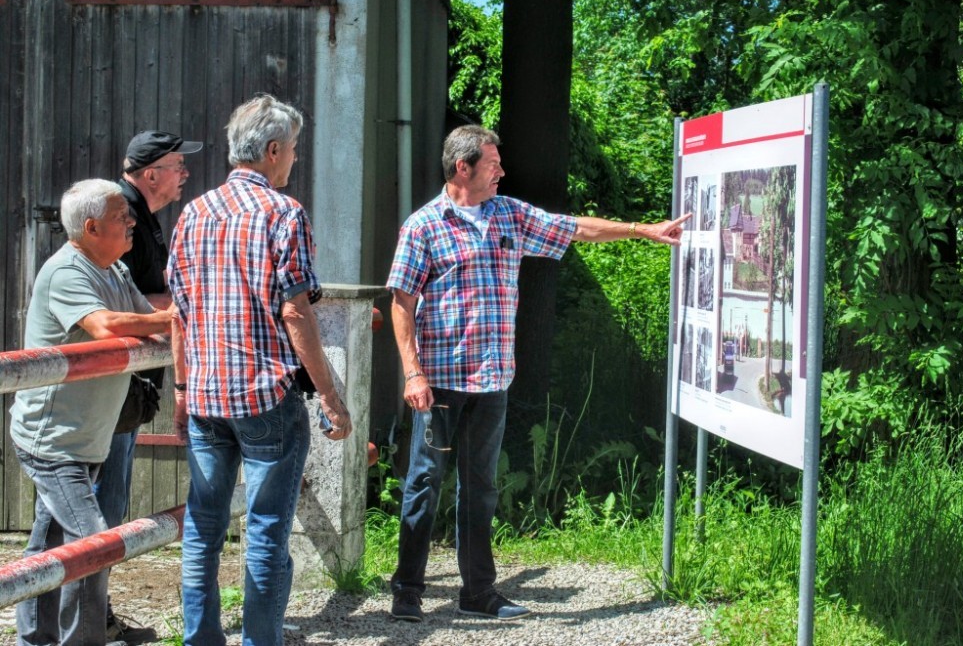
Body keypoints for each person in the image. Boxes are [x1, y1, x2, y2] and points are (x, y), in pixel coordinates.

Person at [387, 125, 691, 622]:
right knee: (425, 480)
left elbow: (573, 227)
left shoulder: (509, 215)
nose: (502, 170)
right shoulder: (424, 226)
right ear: (462, 168)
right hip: (438, 382)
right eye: (492, 163)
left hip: (492, 380)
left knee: (481, 487)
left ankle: (477, 593)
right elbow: (401, 302)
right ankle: (408, 592)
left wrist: (643, 230)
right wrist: (412, 373)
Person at [167, 94, 352, 646]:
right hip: (265, 397)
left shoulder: (192, 214)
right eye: (293, 150)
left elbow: (180, 315)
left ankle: (201, 640)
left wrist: (181, 391)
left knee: (202, 529)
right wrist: (331, 397)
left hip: (204, 397)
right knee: (267, 532)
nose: (293, 159)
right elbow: (295, 310)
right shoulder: (283, 213)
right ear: (272, 151)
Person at [8, 179, 173, 646]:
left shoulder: (113, 270)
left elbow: (146, 324)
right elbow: (104, 325)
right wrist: (172, 319)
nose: (133, 224)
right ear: (91, 226)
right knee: (92, 543)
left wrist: (175, 322)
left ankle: (36, 640)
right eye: (124, 218)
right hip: (54, 440)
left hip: (84, 436)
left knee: (50, 546)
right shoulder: (68, 272)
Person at [96, 129, 202, 644]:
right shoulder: (127, 215)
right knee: (101, 505)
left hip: (127, 388)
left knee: (103, 504)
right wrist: (191, 309)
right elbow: (135, 304)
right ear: (150, 172)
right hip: (111, 388)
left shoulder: (144, 217)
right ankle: (87, 621)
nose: (185, 174)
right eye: (178, 165)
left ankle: (92, 617)